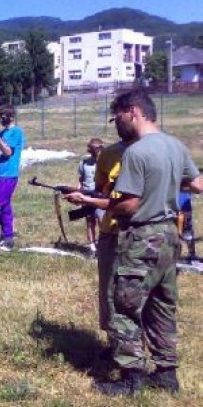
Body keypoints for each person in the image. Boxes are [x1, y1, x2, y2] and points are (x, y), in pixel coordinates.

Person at [90, 90, 202, 395]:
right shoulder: (175, 146)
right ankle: (166, 374)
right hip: (170, 235)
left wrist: (98, 202)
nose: (117, 123)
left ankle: (131, 377)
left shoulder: (136, 152)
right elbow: (197, 184)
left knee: (125, 304)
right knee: (161, 305)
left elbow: (128, 204)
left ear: (133, 111)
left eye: (118, 116)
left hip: (142, 237)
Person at [65, 135, 130, 347]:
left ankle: (121, 347)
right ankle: (116, 343)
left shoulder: (117, 155)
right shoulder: (103, 158)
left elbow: (112, 200)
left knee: (115, 291)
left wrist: (86, 199)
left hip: (118, 230)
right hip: (119, 231)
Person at [0, 105, 25, 250]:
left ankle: (8, 232)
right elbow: (3, 154)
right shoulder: (3, 133)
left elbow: (8, 152)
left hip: (9, 175)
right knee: (4, 206)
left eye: (4, 116)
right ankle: (7, 237)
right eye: (0, 116)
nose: (2, 119)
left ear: (12, 116)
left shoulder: (17, 132)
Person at [78, 138, 104, 254]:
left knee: (102, 221)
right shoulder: (84, 163)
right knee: (90, 221)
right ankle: (92, 246)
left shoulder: (104, 163)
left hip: (100, 196)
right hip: (86, 196)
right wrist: (79, 192)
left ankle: (103, 245)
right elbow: (81, 179)